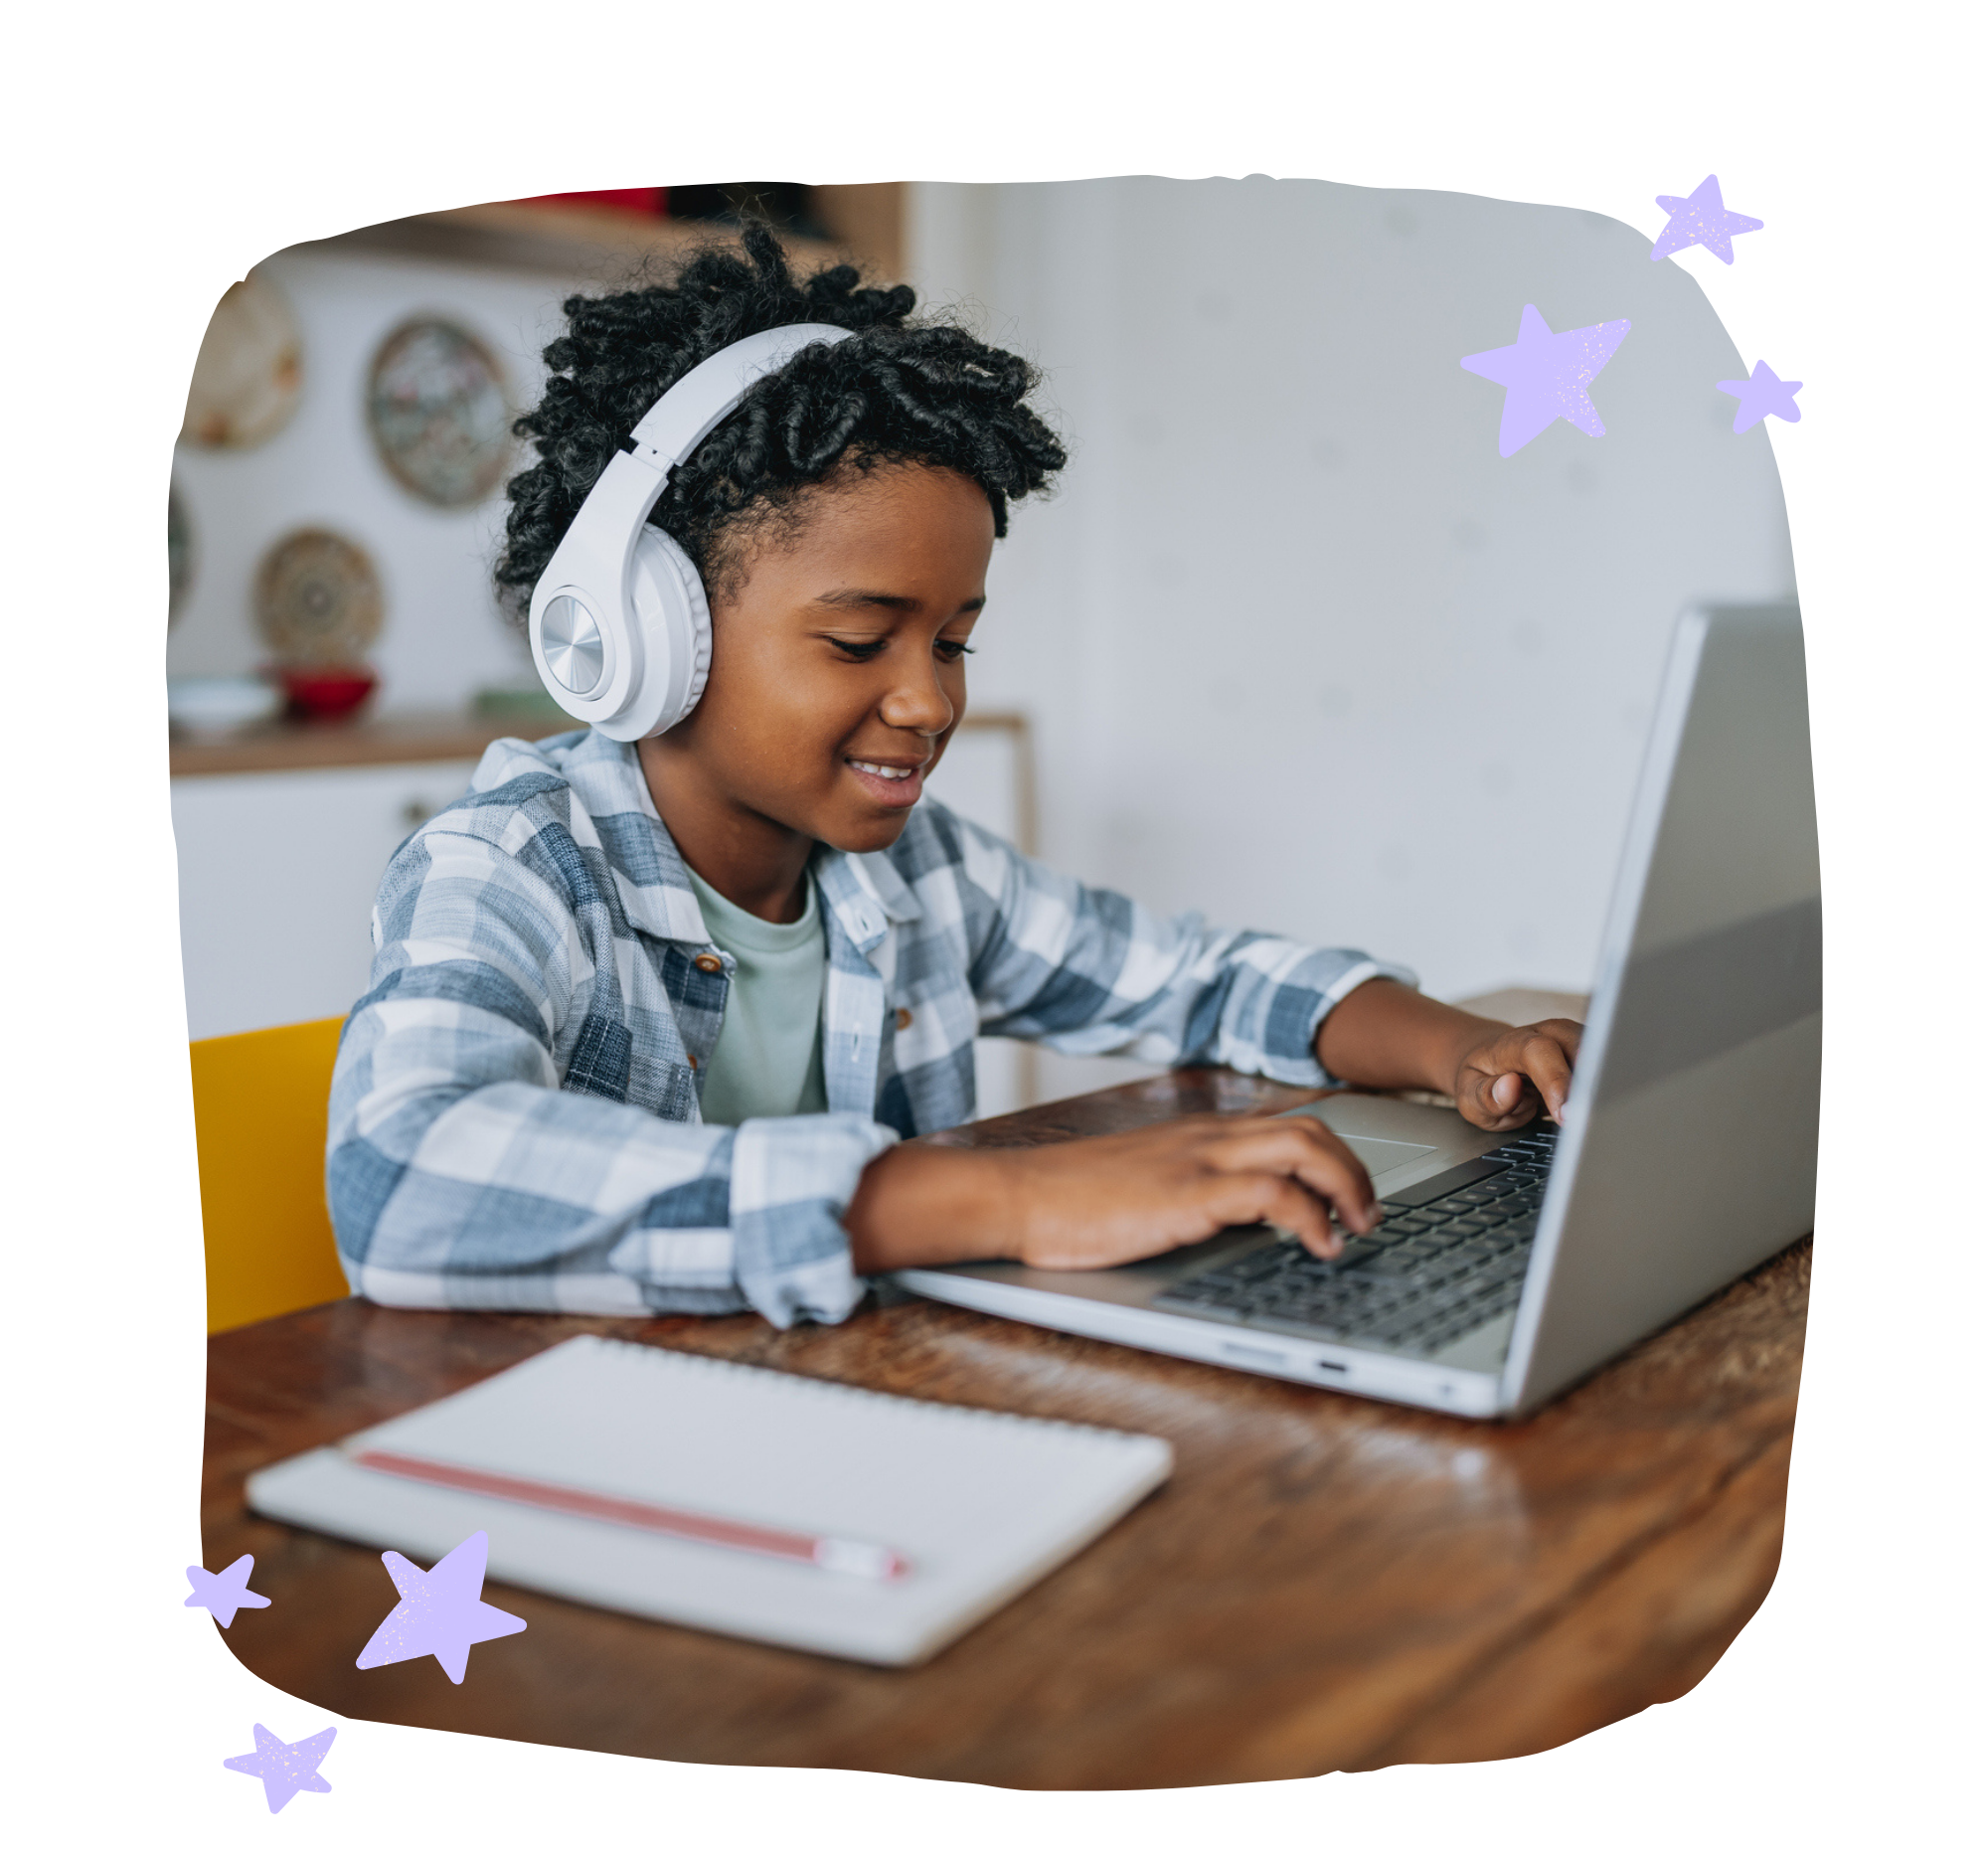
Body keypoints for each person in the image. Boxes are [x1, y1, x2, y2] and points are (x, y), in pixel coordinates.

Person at [325, 228, 1583, 1325]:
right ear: (645, 633)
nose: (929, 702)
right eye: (857, 641)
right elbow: (403, 1178)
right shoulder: (512, 866)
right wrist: (1001, 1197)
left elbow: (1195, 978)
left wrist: (1460, 1046)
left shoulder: (920, 874)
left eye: (953, 641)